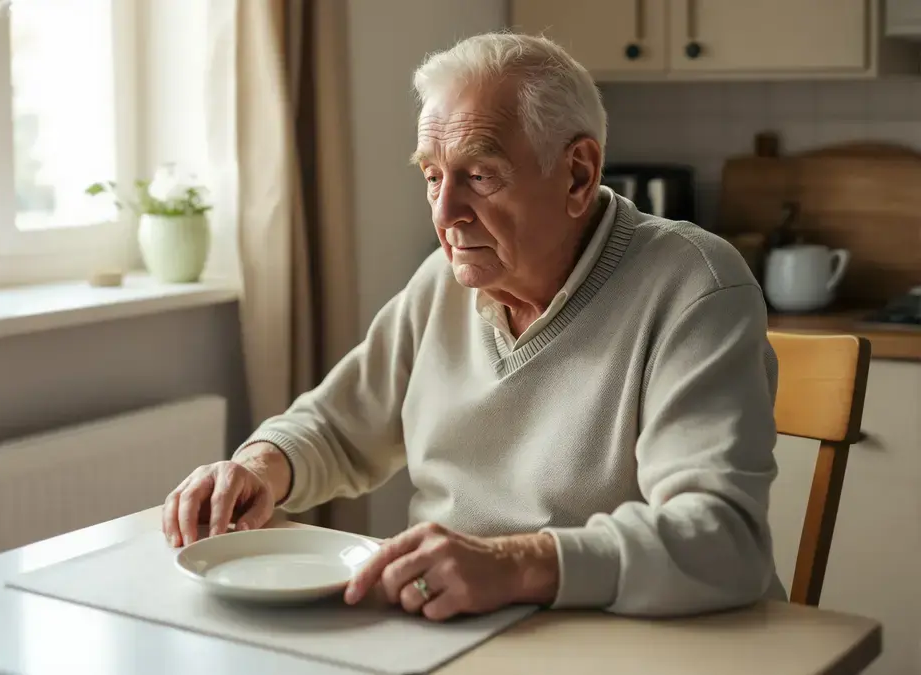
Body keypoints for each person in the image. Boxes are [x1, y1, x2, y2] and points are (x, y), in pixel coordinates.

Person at [162, 30, 786, 620]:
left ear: (577, 174)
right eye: (432, 176)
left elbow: (723, 541)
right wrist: (258, 466)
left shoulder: (695, 286)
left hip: (636, 642)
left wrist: (515, 565)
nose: (445, 212)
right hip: (459, 628)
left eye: (480, 176)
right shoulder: (444, 280)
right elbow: (336, 425)